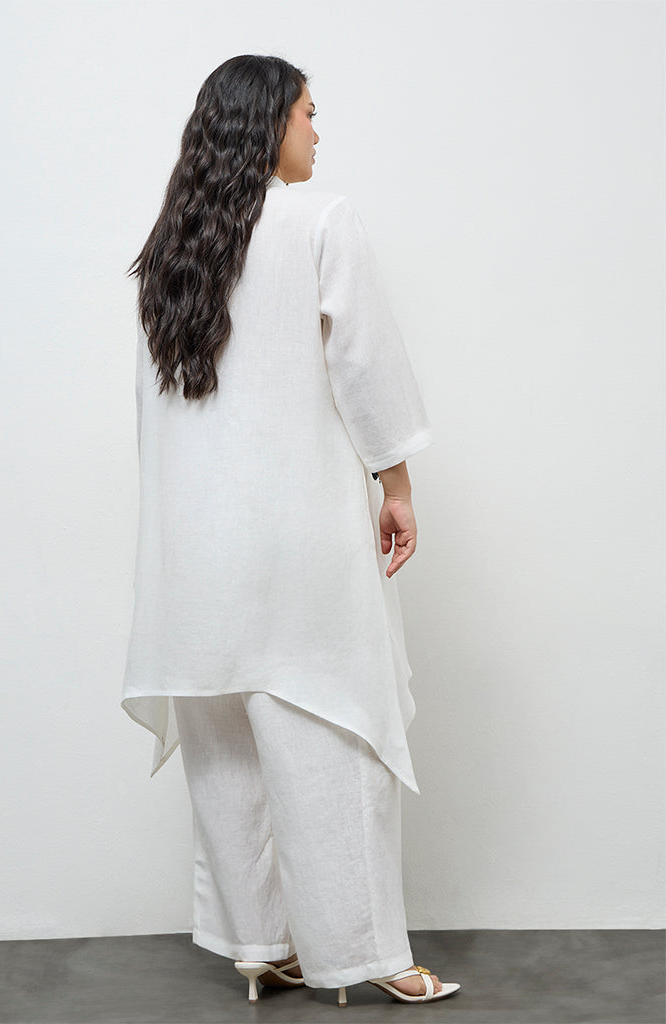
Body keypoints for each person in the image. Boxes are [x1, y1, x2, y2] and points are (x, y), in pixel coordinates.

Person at [121, 54, 461, 1007]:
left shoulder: (171, 250)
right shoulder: (320, 221)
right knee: (334, 745)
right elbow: (367, 367)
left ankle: (259, 945)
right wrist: (396, 484)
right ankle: (367, 957)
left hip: (192, 552)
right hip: (295, 539)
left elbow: (155, 417)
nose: (319, 129)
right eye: (310, 112)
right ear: (269, 121)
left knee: (226, 752)